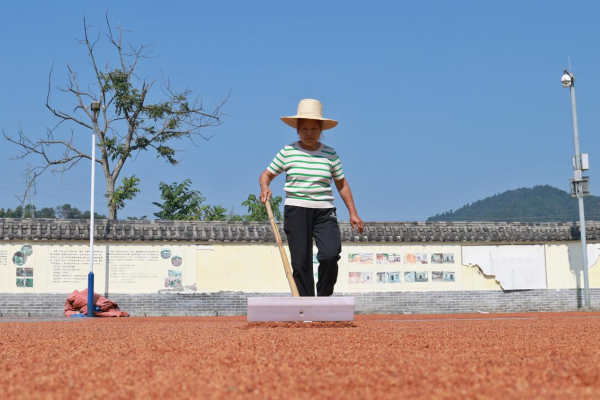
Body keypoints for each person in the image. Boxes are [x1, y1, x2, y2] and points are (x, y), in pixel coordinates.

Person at [259, 99, 364, 297]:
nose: (309, 133)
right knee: (301, 262)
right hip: (296, 210)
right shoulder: (288, 152)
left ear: (321, 130)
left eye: (314, 128)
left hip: (324, 211)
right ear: (298, 130)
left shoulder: (330, 154)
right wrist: (265, 187)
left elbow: (342, 184)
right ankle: (306, 305)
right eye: (305, 128)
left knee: (331, 254)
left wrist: (353, 213)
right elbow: (266, 174)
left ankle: (323, 299)